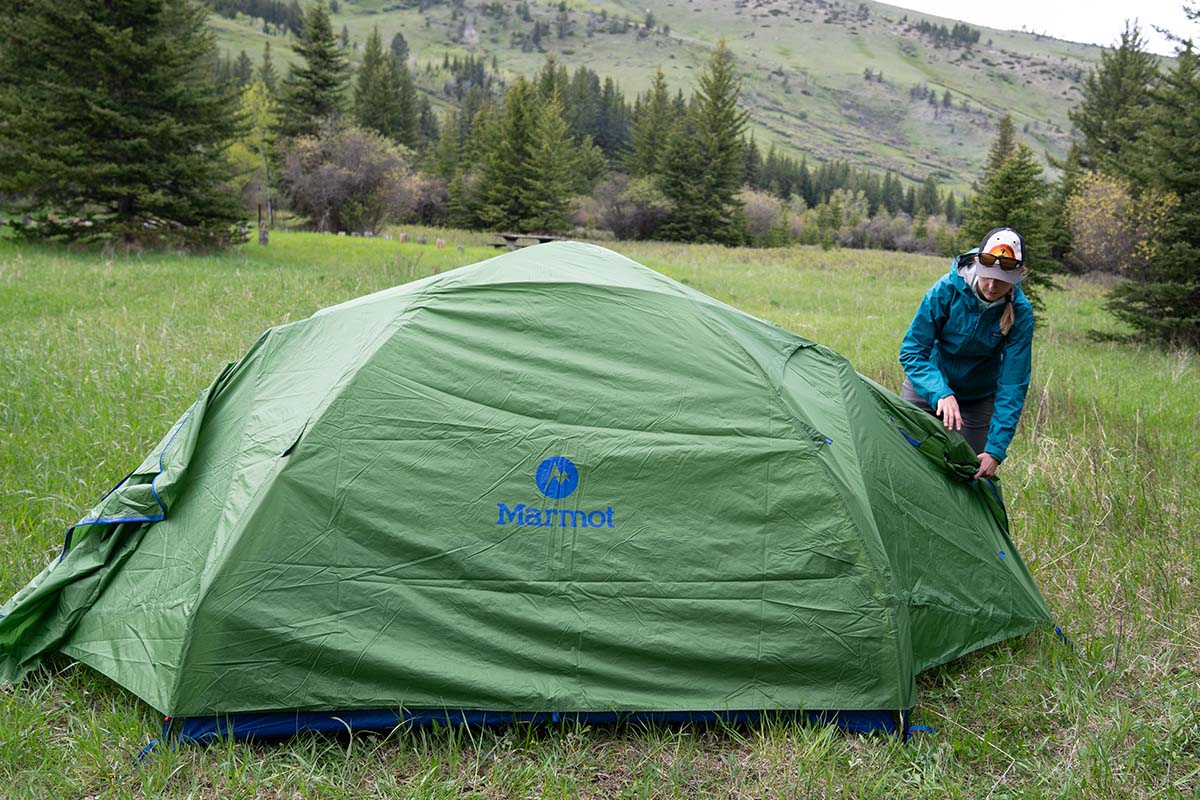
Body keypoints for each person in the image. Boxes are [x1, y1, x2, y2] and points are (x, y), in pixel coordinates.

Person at [899, 227, 1034, 480]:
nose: (992, 286)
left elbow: (1013, 383)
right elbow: (913, 351)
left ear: (1017, 277)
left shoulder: (1020, 312)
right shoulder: (947, 290)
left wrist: (995, 450)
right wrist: (940, 393)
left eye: (1002, 281)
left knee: (970, 471)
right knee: (903, 452)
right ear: (977, 264)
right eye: (987, 277)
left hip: (978, 396)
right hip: (929, 382)